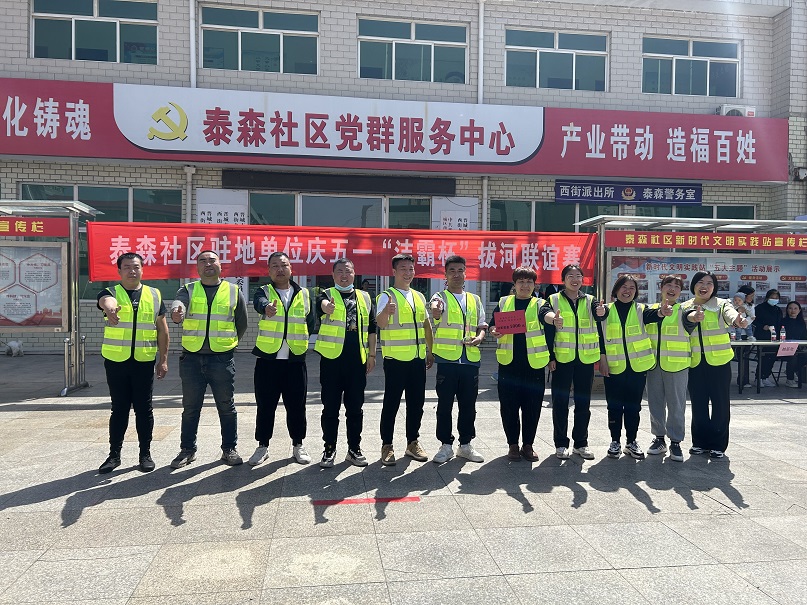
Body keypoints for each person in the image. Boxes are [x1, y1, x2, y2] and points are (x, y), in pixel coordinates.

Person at [170, 250, 248, 468]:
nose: (208, 264)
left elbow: (242, 323)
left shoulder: (233, 291)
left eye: (212, 260)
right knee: (190, 408)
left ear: (220, 265)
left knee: (226, 406)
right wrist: (177, 311)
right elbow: (179, 303)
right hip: (192, 359)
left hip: (221, 359)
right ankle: (187, 450)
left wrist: (229, 345)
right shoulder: (188, 289)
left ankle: (229, 449)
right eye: (202, 261)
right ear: (197, 267)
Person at [97, 252, 169, 473]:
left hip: (143, 361)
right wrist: (110, 308)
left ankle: (145, 454)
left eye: (136, 267)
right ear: (119, 271)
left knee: (144, 409)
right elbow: (105, 301)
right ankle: (114, 455)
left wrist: (163, 360)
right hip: (116, 361)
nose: (132, 271)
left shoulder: (154, 294)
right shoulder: (111, 292)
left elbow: (162, 330)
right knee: (119, 409)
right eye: (127, 267)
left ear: (142, 269)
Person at [249, 251, 317, 466]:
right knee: (265, 406)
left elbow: (310, 321)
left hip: (295, 360)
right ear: (269, 271)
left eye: (284, 265)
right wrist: (266, 307)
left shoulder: (304, 294)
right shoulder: (263, 291)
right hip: (268, 360)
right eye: (275, 266)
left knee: (297, 406)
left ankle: (298, 444)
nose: (280, 269)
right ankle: (262, 446)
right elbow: (259, 302)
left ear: (291, 269)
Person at [540, 264, 607, 460]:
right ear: (563, 280)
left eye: (578, 276)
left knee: (583, 403)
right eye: (570, 276)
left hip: (585, 360)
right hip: (562, 359)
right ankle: (561, 444)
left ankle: (581, 443)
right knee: (560, 403)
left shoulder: (591, 300)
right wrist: (551, 356)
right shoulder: (553, 299)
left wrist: (602, 311)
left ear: (583, 280)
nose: (575, 279)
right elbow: (544, 315)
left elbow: (600, 313)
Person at [314, 258, 377, 467]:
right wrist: (327, 307)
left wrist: (372, 355)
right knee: (330, 407)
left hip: (357, 361)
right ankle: (329, 448)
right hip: (331, 361)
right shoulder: (326, 294)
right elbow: (321, 306)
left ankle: (354, 448)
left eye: (348, 271)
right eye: (339, 271)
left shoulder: (365, 297)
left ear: (354, 273)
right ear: (333, 275)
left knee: (355, 408)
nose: (344, 275)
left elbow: (372, 328)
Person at [489, 266, 554, 461]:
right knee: (508, 406)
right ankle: (512, 445)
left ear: (535, 285)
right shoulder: (504, 302)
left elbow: (547, 315)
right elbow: (493, 323)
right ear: (514, 284)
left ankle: (528, 445)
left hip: (533, 365)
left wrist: (554, 319)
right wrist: (493, 331)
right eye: (521, 282)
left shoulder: (540, 303)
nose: (525, 285)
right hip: (508, 364)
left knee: (532, 407)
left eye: (529, 282)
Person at [682, 271, 749, 459]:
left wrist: (738, 320)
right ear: (694, 285)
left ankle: (718, 444)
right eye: (700, 282)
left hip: (719, 363)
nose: (704, 286)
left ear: (714, 287)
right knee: (698, 404)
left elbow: (731, 315)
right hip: (695, 363)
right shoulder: (685, 306)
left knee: (720, 404)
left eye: (709, 283)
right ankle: (699, 442)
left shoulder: (722, 304)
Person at [376, 253, 434, 466]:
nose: (408, 273)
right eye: (403, 269)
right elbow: (380, 323)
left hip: (417, 359)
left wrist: (430, 350)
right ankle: (387, 445)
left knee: (416, 404)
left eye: (411, 269)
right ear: (394, 271)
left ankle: (412, 442)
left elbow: (426, 325)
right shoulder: (386, 296)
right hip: (395, 359)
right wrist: (386, 312)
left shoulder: (419, 296)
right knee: (391, 404)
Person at [429, 255, 487, 464]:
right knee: (444, 405)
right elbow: (435, 309)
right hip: (448, 360)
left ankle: (465, 445)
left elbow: (482, 326)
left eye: (460, 270)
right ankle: (446, 445)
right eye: (452, 271)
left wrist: (479, 338)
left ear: (465, 273)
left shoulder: (475, 299)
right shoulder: (440, 297)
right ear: (445, 275)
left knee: (468, 405)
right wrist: (436, 310)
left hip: (470, 361)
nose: (456, 274)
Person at [599, 275, 661, 460]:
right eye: (624, 287)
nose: (627, 291)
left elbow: (654, 315)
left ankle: (631, 441)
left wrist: (662, 312)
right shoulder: (606, 310)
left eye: (632, 288)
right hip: (613, 367)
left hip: (637, 367)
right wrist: (602, 360)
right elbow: (599, 337)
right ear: (616, 290)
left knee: (634, 407)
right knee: (614, 406)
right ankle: (615, 441)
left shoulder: (641, 309)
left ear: (636, 292)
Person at [645, 275, 695, 462]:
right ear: (661, 287)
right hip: (653, 364)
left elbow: (691, 319)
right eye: (669, 285)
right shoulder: (650, 309)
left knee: (676, 405)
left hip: (677, 365)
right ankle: (659, 439)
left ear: (680, 291)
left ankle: (675, 441)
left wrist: (696, 317)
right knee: (655, 403)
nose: (672, 289)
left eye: (677, 286)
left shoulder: (684, 310)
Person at [753, 288, 783, 387]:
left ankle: (765, 377)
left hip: (775, 337)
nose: (774, 299)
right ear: (767, 298)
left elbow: (780, 323)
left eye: (776, 298)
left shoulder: (778, 310)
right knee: (763, 357)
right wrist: (762, 326)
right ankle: (758, 378)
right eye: (772, 297)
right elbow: (754, 320)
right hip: (763, 336)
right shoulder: (760, 308)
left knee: (772, 357)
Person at [781, 301, 807, 387]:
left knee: (804, 355)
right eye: (790, 308)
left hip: (798, 348)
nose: (793, 310)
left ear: (799, 310)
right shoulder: (783, 321)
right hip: (784, 348)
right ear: (787, 310)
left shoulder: (801, 323)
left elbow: (804, 337)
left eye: (795, 308)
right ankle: (790, 379)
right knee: (793, 355)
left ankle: (792, 370)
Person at [735, 284, 756, 387]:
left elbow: (752, 317)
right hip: (734, 333)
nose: (751, 298)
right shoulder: (734, 303)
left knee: (745, 358)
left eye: (752, 296)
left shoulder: (751, 306)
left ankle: (744, 381)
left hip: (746, 334)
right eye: (750, 296)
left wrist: (745, 322)